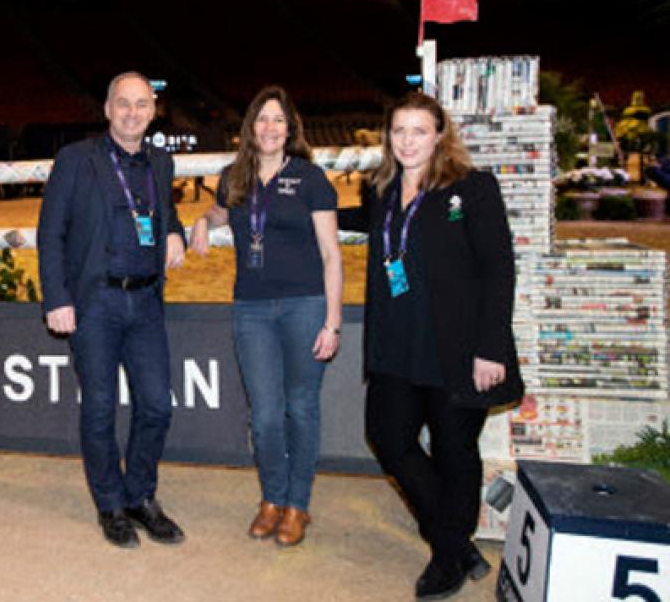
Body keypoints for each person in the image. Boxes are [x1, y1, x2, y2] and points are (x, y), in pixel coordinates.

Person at [339, 92, 522, 600]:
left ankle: (446, 557)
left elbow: (498, 269)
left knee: (454, 451)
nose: (407, 141)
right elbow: (360, 222)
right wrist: (301, 214)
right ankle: (456, 543)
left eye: (418, 131)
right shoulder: (380, 188)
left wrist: (491, 348)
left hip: (457, 348)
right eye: (399, 131)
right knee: (387, 436)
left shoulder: (472, 187)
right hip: (395, 344)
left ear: (440, 135)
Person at [37, 71, 187, 549]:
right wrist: (57, 298)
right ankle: (110, 504)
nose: (132, 113)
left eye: (142, 104)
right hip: (95, 302)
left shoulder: (161, 161)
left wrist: (174, 231)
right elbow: (50, 233)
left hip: (145, 301)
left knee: (157, 405)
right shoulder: (75, 160)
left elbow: (164, 213)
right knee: (100, 408)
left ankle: (140, 495)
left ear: (153, 111)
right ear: (107, 109)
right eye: (124, 103)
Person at [189, 86, 342, 547]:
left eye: (278, 120)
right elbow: (223, 211)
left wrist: (332, 322)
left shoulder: (311, 178)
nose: (270, 127)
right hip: (251, 309)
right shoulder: (233, 177)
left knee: (301, 408)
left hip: (305, 305)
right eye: (262, 119)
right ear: (250, 127)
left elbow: (331, 254)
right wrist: (203, 221)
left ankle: (297, 504)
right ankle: (272, 497)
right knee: (266, 416)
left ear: (290, 128)